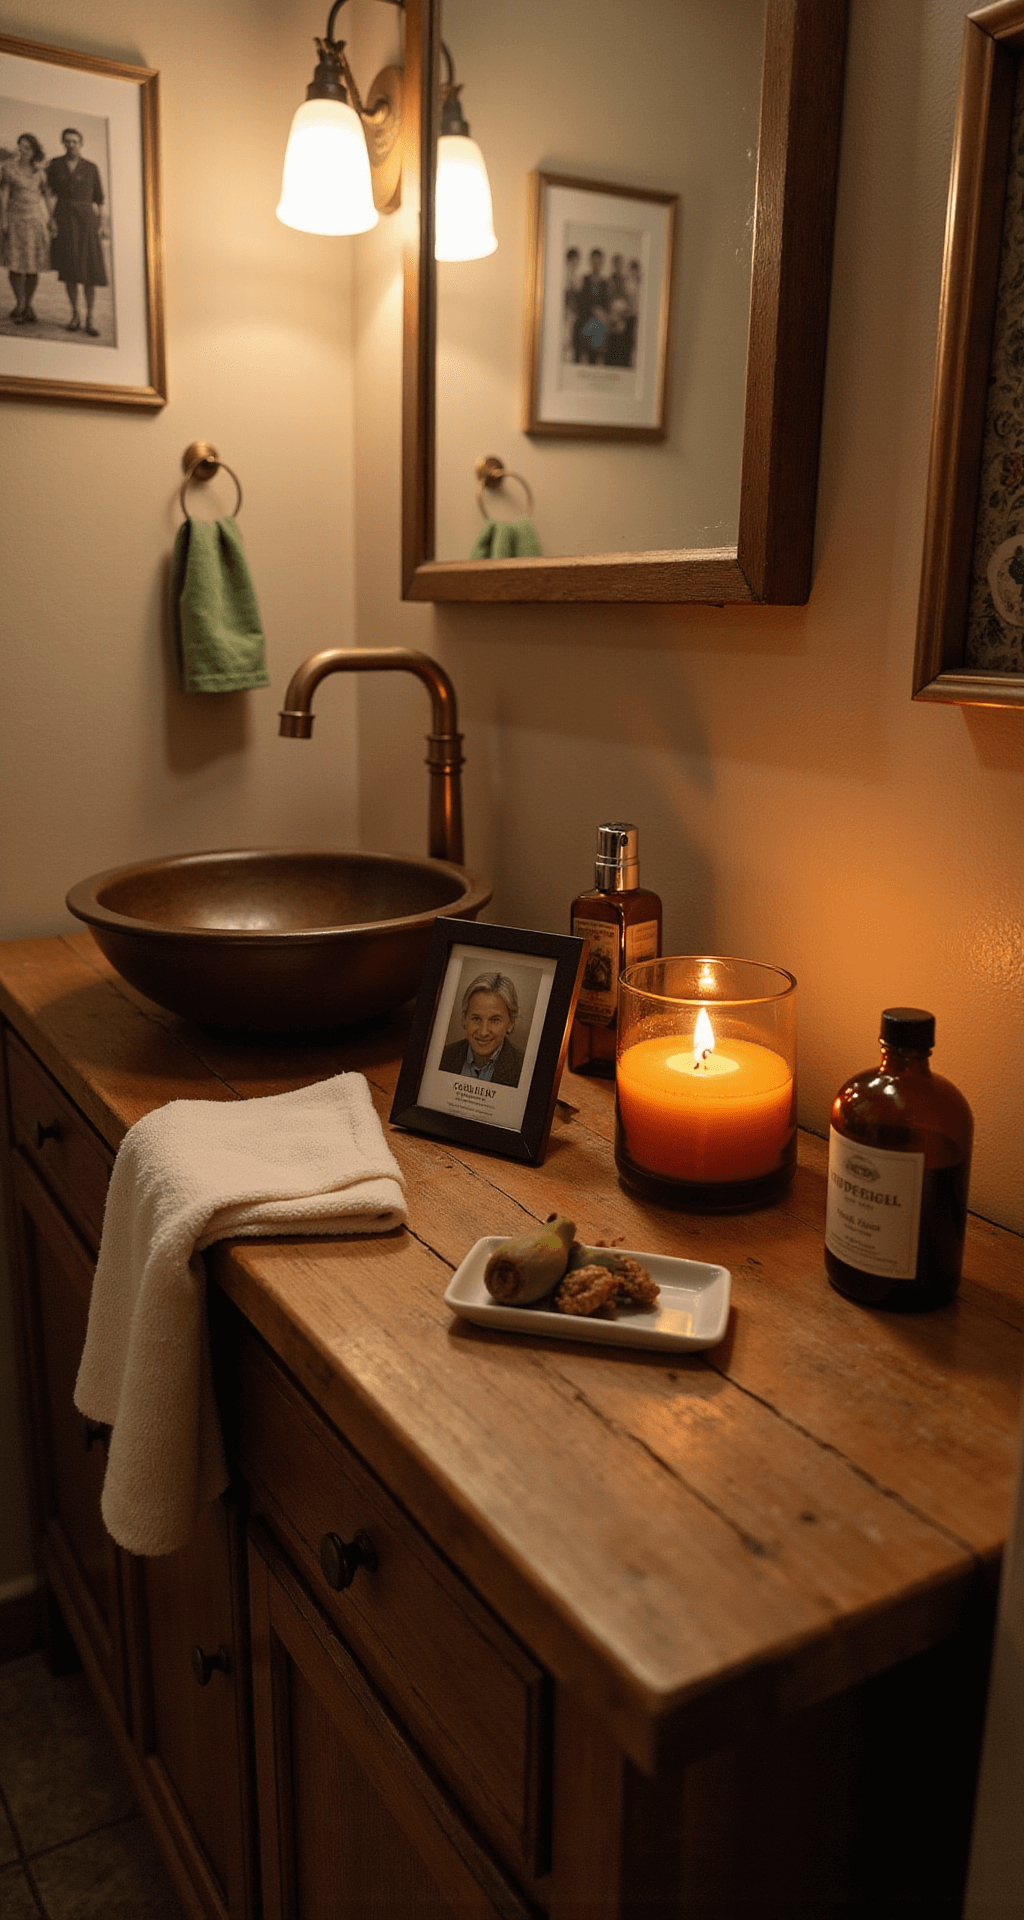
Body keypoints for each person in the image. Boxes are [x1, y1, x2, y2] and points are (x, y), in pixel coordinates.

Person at [46, 127, 108, 336]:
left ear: (81, 144)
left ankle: (90, 318)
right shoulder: (54, 165)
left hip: (86, 221)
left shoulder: (91, 167)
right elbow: (47, 192)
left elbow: (99, 199)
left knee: (90, 272)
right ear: (63, 143)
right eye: (67, 141)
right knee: (70, 270)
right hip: (64, 218)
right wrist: (51, 219)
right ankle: (75, 315)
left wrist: (102, 224)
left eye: (74, 141)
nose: (71, 144)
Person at [0, 134, 51, 325]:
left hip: (35, 221)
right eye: (20, 147)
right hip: (14, 220)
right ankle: (20, 304)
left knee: (32, 266)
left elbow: (46, 196)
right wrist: (3, 219)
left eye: (27, 148)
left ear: (34, 150)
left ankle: (28, 305)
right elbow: (4, 195)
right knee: (15, 265)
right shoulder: (8, 168)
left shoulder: (40, 172)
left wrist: (51, 219)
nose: (22, 151)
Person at [439, 972, 525, 1086]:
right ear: (465, 1019)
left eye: (495, 1020)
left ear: (511, 1023)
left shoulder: (523, 1070)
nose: (483, 1032)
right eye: (475, 1018)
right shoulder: (443, 1057)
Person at [573, 247, 610, 364]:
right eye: (594, 261)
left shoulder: (605, 284)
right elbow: (580, 304)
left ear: (602, 263)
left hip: (598, 329)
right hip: (584, 326)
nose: (596, 264)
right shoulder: (584, 280)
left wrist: (602, 314)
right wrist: (593, 310)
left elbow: (607, 305)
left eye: (599, 262)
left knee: (594, 361)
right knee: (579, 360)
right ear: (590, 262)